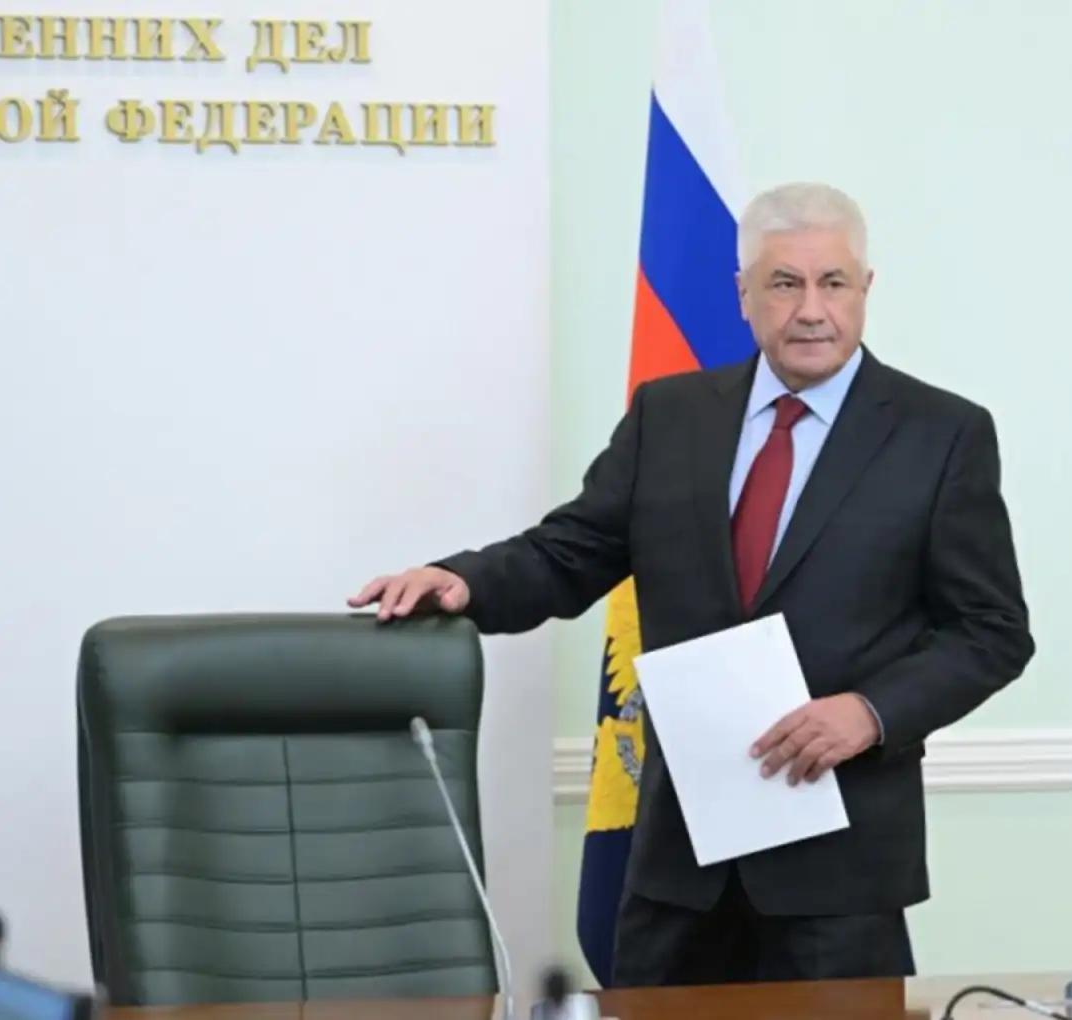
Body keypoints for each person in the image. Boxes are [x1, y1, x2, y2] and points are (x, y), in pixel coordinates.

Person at [349, 181, 1033, 987]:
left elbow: (990, 631)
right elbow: (570, 552)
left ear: (866, 288)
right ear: (743, 294)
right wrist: (462, 581)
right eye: (784, 284)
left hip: (840, 872)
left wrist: (870, 712)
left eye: (833, 283)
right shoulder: (670, 415)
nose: (811, 310)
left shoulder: (942, 434)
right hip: (680, 866)